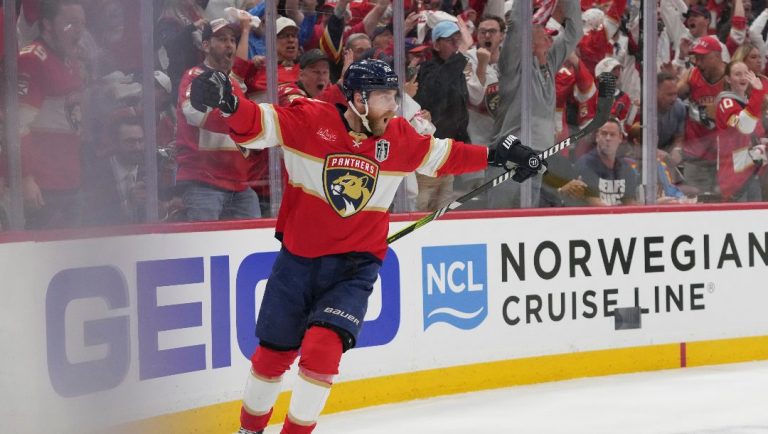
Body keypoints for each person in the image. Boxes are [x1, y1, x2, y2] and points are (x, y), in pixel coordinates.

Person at [188, 58, 544, 434]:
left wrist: (498, 155)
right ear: (358, 99)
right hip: (297, 263)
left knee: (323, 350)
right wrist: (229, 102)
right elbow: (258, 125)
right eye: (385, 97)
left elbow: (444, 156)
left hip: (353, 268)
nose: (393, 105)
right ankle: (249, 430)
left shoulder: (399, 137)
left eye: (394, 96)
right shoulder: (310, 120)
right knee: (272, 356)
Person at [487, 0, 582, 208]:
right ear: (527, 41)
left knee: (526, 220)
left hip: (537, 157)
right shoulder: (513, 65)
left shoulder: (549, 63)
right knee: (500, 219)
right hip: (509, 156)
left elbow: (574, 33)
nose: (548, 35)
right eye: (541, 31)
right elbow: (516, 27)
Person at [175, 18, 261, 221]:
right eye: (222, 39)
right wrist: (244, 120)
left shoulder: (234, 84)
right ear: (205, 46)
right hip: (204, 182)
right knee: (204, 240)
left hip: (240, 184)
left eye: (232, 39)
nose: (229, 44)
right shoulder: (195, 77)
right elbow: (196, 113)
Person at [18, 0, 87, 229]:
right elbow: (16, 123)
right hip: (43, 186)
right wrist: (26, 178)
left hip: (71, 180)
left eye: (82, 24)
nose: (78, 31)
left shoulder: (70, 59)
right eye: (71, 23)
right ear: (47, 24)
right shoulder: (32, 59)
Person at [413, 20, 470, 211]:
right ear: (436, 45)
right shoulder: (427, 69)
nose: (456, 44)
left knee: (443, 212)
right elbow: (435, 92)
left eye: (457, 40)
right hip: (428, 158)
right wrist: (461, 56)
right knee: (420, 209)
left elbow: (459, 113)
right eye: (450, 40)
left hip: (448, 155)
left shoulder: (457, 72)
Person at [678, 35, 727, 195]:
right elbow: (672, 96)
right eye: (696, 58)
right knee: (693, 204)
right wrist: (679, 62)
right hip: (695, 156)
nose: (698, 62)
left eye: (702, 58)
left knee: (727, 205)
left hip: (725, 158)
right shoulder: (692, 75)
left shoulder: (732, 77)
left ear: (717, 56)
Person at [715, 60, 767, 201]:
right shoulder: (726, 104)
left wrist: (763, 148)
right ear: (728, 79)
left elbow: (757, 136)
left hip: (751, 172)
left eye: (745, 73)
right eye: (737, 74)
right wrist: (758, 92)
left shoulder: (748, 104)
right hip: (733, 175)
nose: (743, 77)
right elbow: (745, 126)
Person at [575, 117, 639, 206]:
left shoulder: (626, 169)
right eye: (604, 133)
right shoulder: (585, 164)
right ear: (597, 137)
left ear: (620, 138)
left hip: (618, 214)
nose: (608, 138)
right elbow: (596, 204)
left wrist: (654, 205)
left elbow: (630, 204)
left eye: (612, 134)